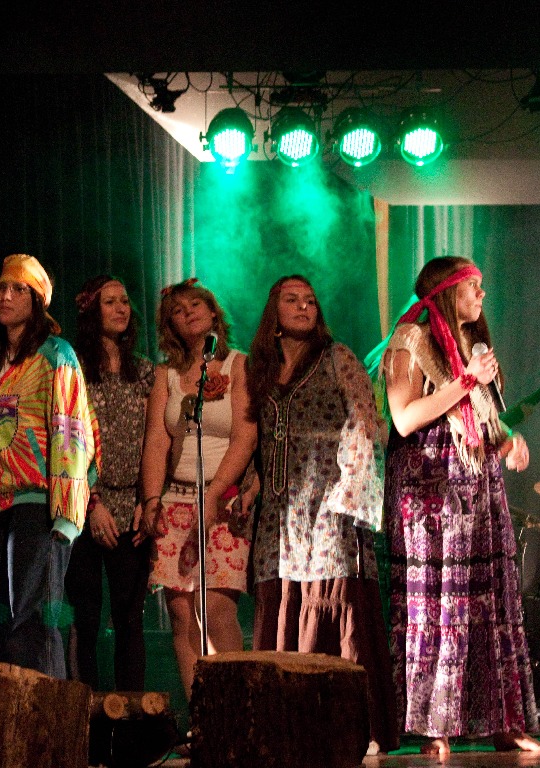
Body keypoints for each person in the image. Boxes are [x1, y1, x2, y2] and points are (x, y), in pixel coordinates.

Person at [204, 274, 398, 753]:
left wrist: (351, 491)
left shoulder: (337, 357)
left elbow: (367, 420)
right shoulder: (262, 371)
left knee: (335, 598)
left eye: (310, 300)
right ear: (274, 312)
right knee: (284, 602)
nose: (304, 306)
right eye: (292, 300)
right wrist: (251, 487)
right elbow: (266, 441)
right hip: (281, 512)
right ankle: (289, 726)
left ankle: (355, 727)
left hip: (330, 501)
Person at [378, 256, 540, 757]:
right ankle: (436, 728)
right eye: (474, 286)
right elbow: (405, 419)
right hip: (431, 490)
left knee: (492, 604)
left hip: (478, 486)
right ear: (449, 291)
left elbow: (481, 419)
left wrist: (508, 439)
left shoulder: (470, 345)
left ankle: (504, 723)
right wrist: (468, 380)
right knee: (438, 603)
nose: (482, 295)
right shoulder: (411, 340)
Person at [0, 253, 98, 680]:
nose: (5, 296)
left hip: (36, 501)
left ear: (37, 299)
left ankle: (42, 716)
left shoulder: (55, 355)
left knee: (32, 619)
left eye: (17, 289)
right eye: (1, 288)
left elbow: (72, 430)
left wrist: (67, 515)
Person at [139, 277, 256, 703]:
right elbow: (157, 440)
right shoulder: (166, 375)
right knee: (182, 615)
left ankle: (238, 711)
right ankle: (201, 717)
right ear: (169, 324)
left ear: (212, 313)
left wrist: (217, 491)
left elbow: (246, 436)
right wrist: (152, 499)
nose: (187, 312)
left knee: (217, 609)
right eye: (178, 309)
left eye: (195, 305)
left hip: (222, 500)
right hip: (175, 499)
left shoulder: (238, 365)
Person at [64, 275, 155, 691]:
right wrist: (92, 502)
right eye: (110, 302)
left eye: (125, 301)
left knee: (129, 616)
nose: (121, 308)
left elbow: (156, 441)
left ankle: (131, 712)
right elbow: (67, 440)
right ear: (91, 310)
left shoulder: (146, 371)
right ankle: (84, 711)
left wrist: (146, 500)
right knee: (85, 614)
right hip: (85, 504)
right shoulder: (74, 369)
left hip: (132, 505)